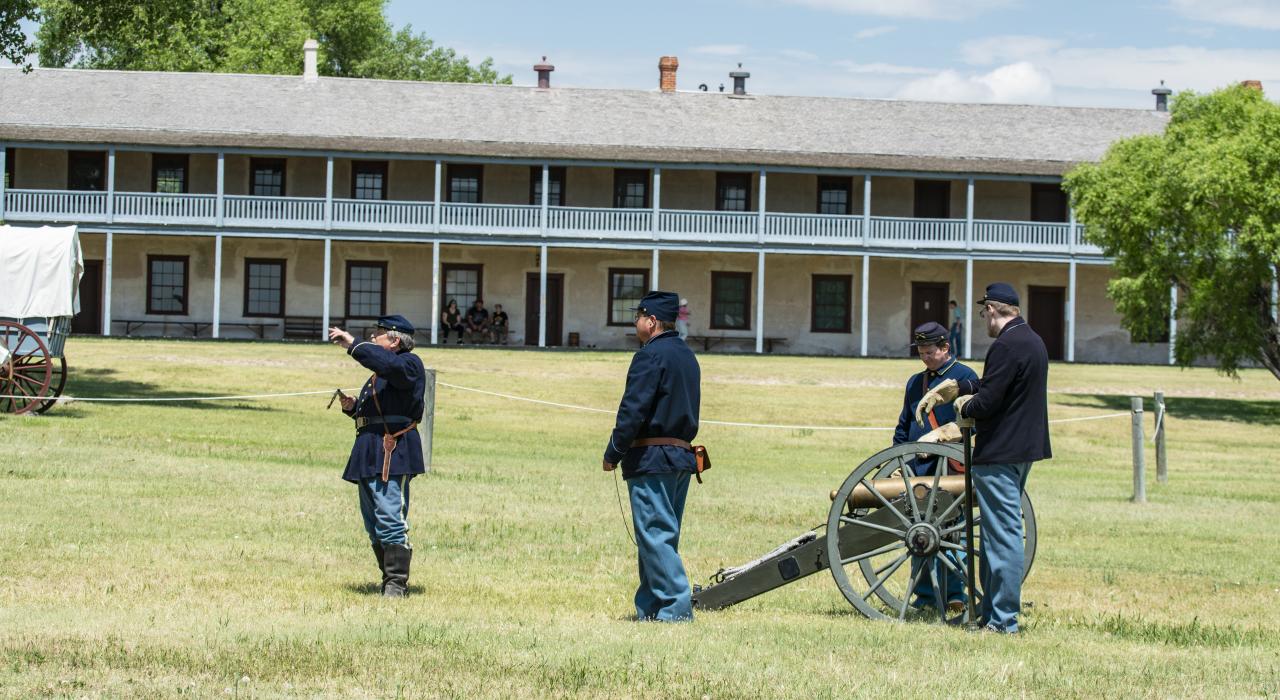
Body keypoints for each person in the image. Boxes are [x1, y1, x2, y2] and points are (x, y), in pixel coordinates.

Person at [915, 282, 1051, 633]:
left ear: (992, 309)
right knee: (994, 535)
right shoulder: (1031, 340)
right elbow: (998, 385)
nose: (983, 320)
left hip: (1000, 450)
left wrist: (964, 406)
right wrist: (960, 387)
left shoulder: (1005, 345)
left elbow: (989, 402)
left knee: (1003, 535)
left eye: (982, 313)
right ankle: (991, 614)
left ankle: (1003, 621)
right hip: (1023, 448)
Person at [602, 290, 701, 622]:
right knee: (658, 535)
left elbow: (633, 410)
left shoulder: (650, 356)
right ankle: (650, 607)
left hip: (651, 456)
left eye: (639, 317)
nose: (635, 323)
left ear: (652, 321)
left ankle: (675, 608)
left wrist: (613, 451)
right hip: (681, 457)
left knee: (655, 535)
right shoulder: (687, 355)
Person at [328, 315, 428, 598]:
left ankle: (396, 585)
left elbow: (387, 365)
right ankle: (388, 580)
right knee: (373, 522)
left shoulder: (409, 363)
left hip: (391, 451)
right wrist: (353, 409)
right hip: (369, 448)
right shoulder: (383, 371)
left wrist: (353, 344)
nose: (373, 338)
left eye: (379, 334)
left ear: (395, 340)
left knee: (389, 516)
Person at [895, 321, 978, 614]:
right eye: (921, 352)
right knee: (919, 532)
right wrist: (899, 462)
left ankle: (956, 594)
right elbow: (904, 425)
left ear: (945, 347)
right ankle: (926, 597)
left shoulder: (966, 377)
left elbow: (973, 423)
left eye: (930, 352)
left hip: (951, 468)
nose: (925, 357)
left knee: (956, 535)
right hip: (919, 470)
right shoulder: (915, 382)